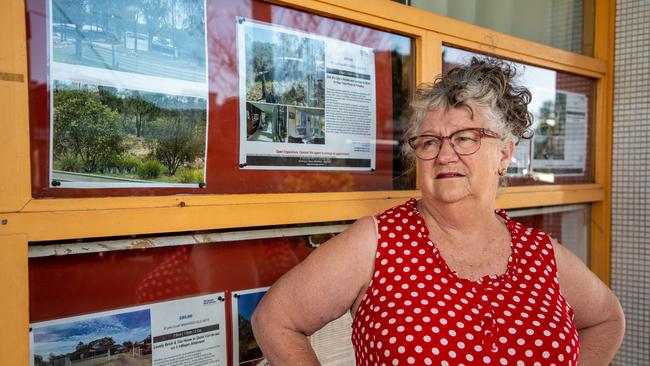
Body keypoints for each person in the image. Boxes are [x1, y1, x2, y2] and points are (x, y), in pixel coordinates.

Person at [251, 58, 625, 365]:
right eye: (430, 141)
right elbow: (276, 320)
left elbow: (607, 319)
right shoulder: (379, 242)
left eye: (465, 138)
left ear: (505, 154)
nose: (445, 154)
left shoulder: (540, 254)